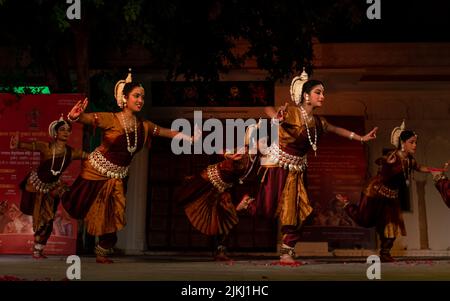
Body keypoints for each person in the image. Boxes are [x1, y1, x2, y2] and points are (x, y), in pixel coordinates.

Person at [62, 70, 197, 264]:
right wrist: (76, 116)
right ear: (124, 98)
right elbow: (89, 118)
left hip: (118, 176)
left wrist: (190, 138)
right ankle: (60, 194)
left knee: (114, 213)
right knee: (77, 204)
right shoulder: (111, 119)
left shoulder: (144, 125)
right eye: (136, 96)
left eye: (142, 96)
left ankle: (102, 251)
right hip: (95, 170)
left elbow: (168, 132)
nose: (140, 100)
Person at [254, 70, 378, 263]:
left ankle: (287, 252)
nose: (322, 96)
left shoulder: (319, 122)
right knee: (268, 208)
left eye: (323, 93)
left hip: (298, 170)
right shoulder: (291, 112)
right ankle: (249, 204)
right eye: (318, 92)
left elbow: (337, 129)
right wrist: (276, 118)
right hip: (279, 166)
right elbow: (268, 109)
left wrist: (361, 138)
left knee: (298, 209)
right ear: (306, 95)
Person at [336, 121, 439, 262]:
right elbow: (383, 166)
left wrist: (435, 170)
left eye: (415, 142)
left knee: (391, 226)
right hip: (375, 192)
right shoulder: (393, 156)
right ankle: (347, 204)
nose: (415, 145)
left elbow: (420, 167)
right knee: (364, 220)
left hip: (391, 197)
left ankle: (385, 253)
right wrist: (386, 164)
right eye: (412, 142)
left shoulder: (409, 160)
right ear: (403, 143)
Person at [174, 128, 258, 261]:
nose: (261, 144)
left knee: (227, 217)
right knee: (187, 198)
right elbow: (217, 149)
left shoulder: (256, 162)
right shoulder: (241, 151)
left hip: (222, 189)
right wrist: (227, 155)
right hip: (208, 181)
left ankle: (220, 251)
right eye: (258, 141)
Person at [10, 116, 87, 258]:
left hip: (52, 188)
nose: (65, 132)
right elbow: (29, 146)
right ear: (55, 133)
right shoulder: (46, 146)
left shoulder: (71, 152)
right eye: (62, 129)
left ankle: (38, 249)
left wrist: (99, 157)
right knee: (39, 217)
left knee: (48, 219)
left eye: (68, 130)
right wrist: (17, 144)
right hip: (35, 186)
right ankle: (36, 249)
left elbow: (86, 156)